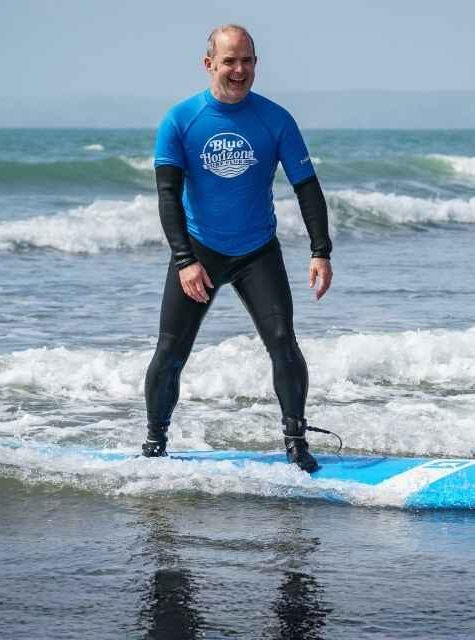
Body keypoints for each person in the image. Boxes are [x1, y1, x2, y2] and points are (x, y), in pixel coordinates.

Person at [143, 24, 333, 472]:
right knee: (170, 352)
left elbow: (307, 186)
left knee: (283, 342)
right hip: (199, 252)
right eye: (229, 60)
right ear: (209, 63)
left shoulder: (275, 119)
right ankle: (154, 443)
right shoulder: (181, 120)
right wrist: (185, 260)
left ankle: (295, 442)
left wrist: (320, 251)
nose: (239, 69)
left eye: (247, 60)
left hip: (256, 251)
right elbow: (167, 196)